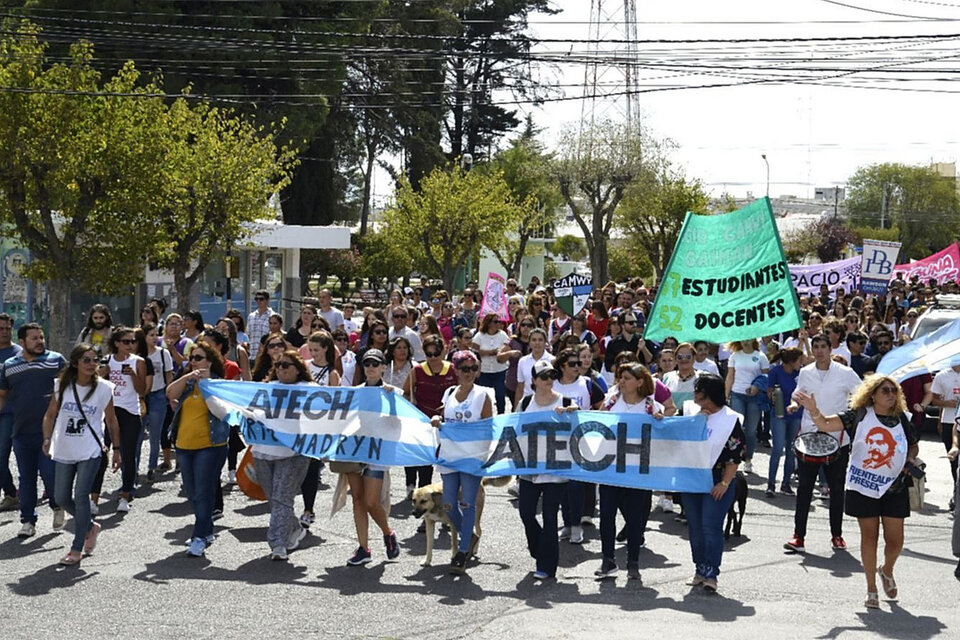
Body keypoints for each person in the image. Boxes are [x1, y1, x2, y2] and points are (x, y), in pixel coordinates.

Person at [794, 375, 920, 609]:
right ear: (872, 394)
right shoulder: (859, 415)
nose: (891, 394)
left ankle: (887, 569)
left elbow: (913, 443)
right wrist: (814, 410)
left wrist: (911, 457)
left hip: (895, 486)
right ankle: (871, 588)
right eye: (885, 391)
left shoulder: (902, 418)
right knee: (869, 537)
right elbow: (826, 425)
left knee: (896, 541)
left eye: (894, 390)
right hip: (864, 486)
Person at [41, 343, 121, 565]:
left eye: (95, 360)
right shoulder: (62, 386)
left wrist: (117, 449)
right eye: (86, 359)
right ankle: (90, 526)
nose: (92, 364)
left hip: (90, 449)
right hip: (65, 448)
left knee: (81, 495)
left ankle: (77, 548)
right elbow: (49, 415)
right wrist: (47, 438)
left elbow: (112, 421)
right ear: (75, 363)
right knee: (61, 497)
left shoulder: (104, 388)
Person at [784, 334, 862, 553]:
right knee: (805, 489)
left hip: (837, 437)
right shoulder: (806, 372)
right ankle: (798, 536)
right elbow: (797, 395)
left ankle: (837, 535)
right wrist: (793, 405)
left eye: (822, 347)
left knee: (837, 489)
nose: (818, 351)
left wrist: (849, 417)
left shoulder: (845, 373)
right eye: (815, 346)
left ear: (830, 349)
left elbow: (862, 395)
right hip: (810, 436)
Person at [595, 363, 663, 581]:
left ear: (640, 382)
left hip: (637, 472)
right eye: (620, 378)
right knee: (606, 514)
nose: (621, 382)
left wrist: (660, 421)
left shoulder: (651, 407)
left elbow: (663, 435)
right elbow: (596, 423)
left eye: (626, 378)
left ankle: (633, 562)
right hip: (611, 469)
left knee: (634, 518)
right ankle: (608, 560)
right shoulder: (611, 402)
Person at [0, 323, 67, 538]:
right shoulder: (10, 365)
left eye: (41, 337)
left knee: (49, 474)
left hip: (50, 431)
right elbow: (2, 395)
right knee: (26, 478)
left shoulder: (55, 360)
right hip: (21, 431)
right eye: (34, 338)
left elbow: (71, 387)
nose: (40, 341)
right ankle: (28, 520)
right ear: (22, 342)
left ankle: (58, 506)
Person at [430, 350, 494, 574]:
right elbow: (443, 415)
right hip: (449, 455)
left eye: (473, 369)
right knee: (448, 504)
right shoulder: (449, 392)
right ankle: (469, 535)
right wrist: (438, 419)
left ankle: (462, 551)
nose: (469, 373)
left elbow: (489, 426)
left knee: (467, 504)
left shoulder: (483, 395)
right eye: (465, 369)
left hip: (472, 458)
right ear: (456, 370)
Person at [166, 342, 229, 557]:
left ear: (210, 361)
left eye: (199, 358)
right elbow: (169, 393)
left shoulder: (217, 384)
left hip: (210, 446)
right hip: (184, 445)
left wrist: (205, 385)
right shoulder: (188, 383)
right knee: (193, 494)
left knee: (203, 492)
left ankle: (199, 536)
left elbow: (222, 413)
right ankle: (207, 529)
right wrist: (186, 377)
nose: (194, 362)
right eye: (192, 358)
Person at [683, 374, 745, 593]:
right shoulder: (691, 411)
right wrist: (696, 421)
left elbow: (734, 456)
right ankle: (699, 569)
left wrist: (725, 483)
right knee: (695, 528)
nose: (694, 394)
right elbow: (679, 440)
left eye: (698, 390)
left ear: (708, 394)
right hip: (691, 480)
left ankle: (712, 573)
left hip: (717, 481)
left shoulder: (730, 419)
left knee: (710, 527)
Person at [516, 359, 576, 580]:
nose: (549, 380)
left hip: (555, 471)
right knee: (526, 514)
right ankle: (540, 548)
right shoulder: (525, 403)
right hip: (530, 469)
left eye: (552, 375)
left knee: (551, 517)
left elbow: (579, 425)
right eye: (544, 376)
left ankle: (547, 566)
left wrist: (573, 412)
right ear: (534, 380)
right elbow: (514, 431)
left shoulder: (566, 401)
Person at [341, 348, 401, 566]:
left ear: (384, 367)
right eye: (367, 364)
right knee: (357, 499)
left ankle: (388, 532)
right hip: (355, 449)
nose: (371, 368)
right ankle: (363, 547)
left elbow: (396, 423)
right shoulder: (355, 392)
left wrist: (391, 400)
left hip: (378, 451)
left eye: (376, 364)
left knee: (370, 501)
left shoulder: (393, 392)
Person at [255, 350, 315, 560]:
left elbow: (334, 405)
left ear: (298, 370)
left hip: (294, 453)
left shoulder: (309, 390)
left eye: (286, 365)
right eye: (278, 365)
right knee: (275, 500)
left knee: (281, 498)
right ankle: (295, 528)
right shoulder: (266, 389)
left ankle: (277, 544)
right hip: (263, 452)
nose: (281, 368)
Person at [98, 326, 148, 514]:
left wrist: (132, 374)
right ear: (117, 343)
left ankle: (126, 494)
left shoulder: (139, 362)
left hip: (130, 411)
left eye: (133, 341)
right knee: (102, 453)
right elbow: (94, 381)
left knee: (128, 455)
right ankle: (94, 496)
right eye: (126, 341)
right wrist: (103, 372)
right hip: (109, 411)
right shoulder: (107, 360)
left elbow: (142, 390)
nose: (130, 345)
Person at [403, 335, 456, 498]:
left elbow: (461, 392)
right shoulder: (417, 370)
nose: (433, 357)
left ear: (443, 351)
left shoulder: (453, 369)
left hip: (445, 422)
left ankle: (447, 491)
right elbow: (406, 392)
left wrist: (448, 407)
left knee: (444, 458)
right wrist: (411, 410)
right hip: (423, 420)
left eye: (436, 353)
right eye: (429, 353)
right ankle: (418, 489)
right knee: (423, 457)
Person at [724, 339, 769, 474]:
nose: (745, 341)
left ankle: (748, 459)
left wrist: (758, 388)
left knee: (751, 430)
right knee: (737, 427)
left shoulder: (761, 356)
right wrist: (726, 395)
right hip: (737, 394)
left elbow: (766, 376)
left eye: (748, 338)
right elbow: (730, 376)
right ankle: (735, 458)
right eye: (742, 339)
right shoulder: (734, 356)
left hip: (754, 397)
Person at [137, 324, 173, 483]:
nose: (154, 338)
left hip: (158, 395)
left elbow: (168, 376)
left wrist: (170, 395)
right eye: (150, 335)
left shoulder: (163, 353)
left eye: (155, 335)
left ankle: (151, 467)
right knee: (137, 435)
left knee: (155, 435)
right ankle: (134, 468)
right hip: (141, 397)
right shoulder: (137, 356)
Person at [766, 347, 803, 497]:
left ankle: (786, 483)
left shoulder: (801, 374)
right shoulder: (775, 371)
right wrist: (773, 397)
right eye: (799, 360)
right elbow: (769, 391)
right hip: (779, 414)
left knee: (791, 450)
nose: (801, 363)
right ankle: (770, 483)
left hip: (796, 415)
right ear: (791, 361)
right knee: (777, 448)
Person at [922, 363, 960, 507]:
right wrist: (946, 404)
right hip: (949, 421)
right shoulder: (942, 375)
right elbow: (934, 399)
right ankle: (956, 494)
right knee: (954, 461)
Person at [0, 313, 22, 511]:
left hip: (10, 412)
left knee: (1, 455)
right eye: (1, 329)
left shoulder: (20, 354)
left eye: (8, 328)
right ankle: (11, 492)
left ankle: (11, 493)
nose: (5, 332)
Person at [472, 313, 510, 414]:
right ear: (488, 323)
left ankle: (501, 414)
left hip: (500, 370)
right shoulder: (479, 335)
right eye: (495, 322)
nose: (498, 324)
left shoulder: (502, 335)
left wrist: (500, 352)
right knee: (484, 396)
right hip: (485, 370)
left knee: (500, 395)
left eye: (499, 321)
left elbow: (506, 347)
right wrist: (490, 352)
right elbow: (474, 350)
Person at [215, 317, 251, 381]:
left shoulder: (239, 351)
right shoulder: (214, 349)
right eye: (217, 329)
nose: (220, 332)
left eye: (224, 329)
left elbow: (246, 376)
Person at [247, 289, 273, 361]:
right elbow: (248, 335)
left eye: (261, 299)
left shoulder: (273, 316)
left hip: (266, 357)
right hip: (252, 356)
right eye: (256, 299)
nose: (258, 301)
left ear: (267, 300)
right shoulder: (251, 316)